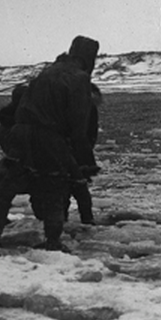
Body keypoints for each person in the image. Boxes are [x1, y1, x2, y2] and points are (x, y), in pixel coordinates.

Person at [0, 35, 99, 254]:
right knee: (54, 185)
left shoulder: (46, 72)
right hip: (49, 138)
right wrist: (83, 160)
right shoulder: (79, 78)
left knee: (6, 187)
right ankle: (52, 242)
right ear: (89, 58)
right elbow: (78, 123)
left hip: (19, 134)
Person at [66, 83, 101, 225]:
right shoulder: (89, 108)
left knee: (66, 187)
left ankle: (63, 219)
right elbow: (91, 133)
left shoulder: (64, 106)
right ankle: (87, 218)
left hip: (67, 152)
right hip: (81, 153)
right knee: (80, 187)